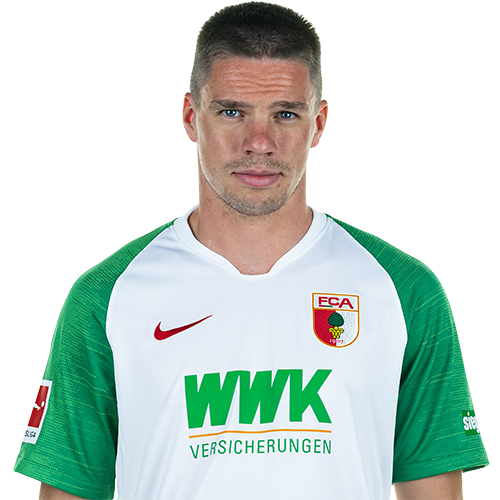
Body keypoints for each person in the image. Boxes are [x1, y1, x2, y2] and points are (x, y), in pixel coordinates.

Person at [15, 3, 488, 499]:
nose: (259, 143)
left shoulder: (403, 292)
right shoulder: (107, 297)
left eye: (285, 114)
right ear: (191, 118)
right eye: (232, 112)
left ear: (319, 124)